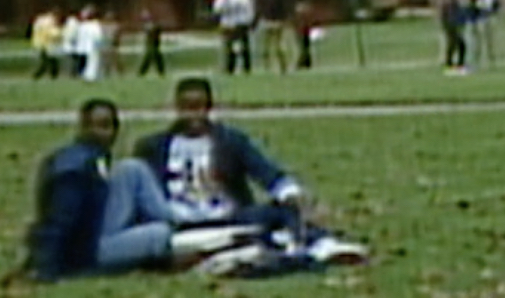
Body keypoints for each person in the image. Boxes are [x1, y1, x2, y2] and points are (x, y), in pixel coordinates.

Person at [133, 77, 368, 267]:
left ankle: (322, 245)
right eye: (187, 108)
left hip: (230, 217)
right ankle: (270, 245)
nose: (194, 116)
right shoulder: (153, 147)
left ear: (210, 108)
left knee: (282, 211)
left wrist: (291, 193)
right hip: (180, 225)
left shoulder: (229, 141)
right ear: (176, 108)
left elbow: (266, 172)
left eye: (200, 108)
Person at [25, 98, 247, 282]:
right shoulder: (73, 171)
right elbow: (58, 222)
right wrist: (46, 268)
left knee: (132, 168)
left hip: (97, 228)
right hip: (85, 251)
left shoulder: (90, 157)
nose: (105, 133)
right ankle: (193, 228)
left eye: (110, 126)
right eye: (98, 125)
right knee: (158, 232)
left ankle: (186, 218)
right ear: (83, 127)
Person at [213, 0, 256, 75]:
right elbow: (250, 11)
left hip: (228, 24)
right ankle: (247, 67)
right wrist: (250, 22)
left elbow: (217, 10)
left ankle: (230, 67)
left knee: (229, 46)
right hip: (242, 24)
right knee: (244, 46)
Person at [255, 0, 292, 75]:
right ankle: (282, 67)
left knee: (266, 45)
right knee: (278, 44)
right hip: (278, 20)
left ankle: (267, 67)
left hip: (266, 19)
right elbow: (284, 6)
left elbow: (259, 7)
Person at [438, 0, 470, 73]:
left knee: (456, 45)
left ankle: (454, 62)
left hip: (451, 25)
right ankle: (452, 63)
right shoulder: (449, 1)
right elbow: (450, 15)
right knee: (457, 45)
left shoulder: (450, 1)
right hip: (451, 26)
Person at [467, 0, 499, 68]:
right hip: (484, 20)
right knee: (486, 42)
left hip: (482, 20)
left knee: (481, 42)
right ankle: (486, 59)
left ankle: (482, 59)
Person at [75, 5, 107, 82]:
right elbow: (98, 36)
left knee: (87, 62)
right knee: (93, 61)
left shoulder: (82, 26)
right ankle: (90, 76)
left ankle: (87, 75)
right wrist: (99, 44)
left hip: (84, 47)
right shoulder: (95, 25)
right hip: (92, 46)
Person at [30, 9, 63, 80]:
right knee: (49, 61)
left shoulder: (40, 20)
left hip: (39, 43)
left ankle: (52, 74)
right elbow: (51, 33)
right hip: (47, 44)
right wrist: (59, 34)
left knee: (50, 60)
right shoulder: (50, 21)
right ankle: (39, 75)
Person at [138, 10, 167, 77]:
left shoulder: (152, 25)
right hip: (151, 45)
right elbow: (153, 31)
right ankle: (142, 72)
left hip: (154, 45)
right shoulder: (147, 26)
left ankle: (142, 72)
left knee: (154, 58)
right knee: (151, 58)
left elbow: (158, 29)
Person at [61, 8, 87, 79]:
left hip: (72, 45)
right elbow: (72, 34)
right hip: (73, 45)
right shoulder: (73, 23)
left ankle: (76, 73)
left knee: (77, 60)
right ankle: (76, 73)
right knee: (78, 60)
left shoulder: (71, 22)